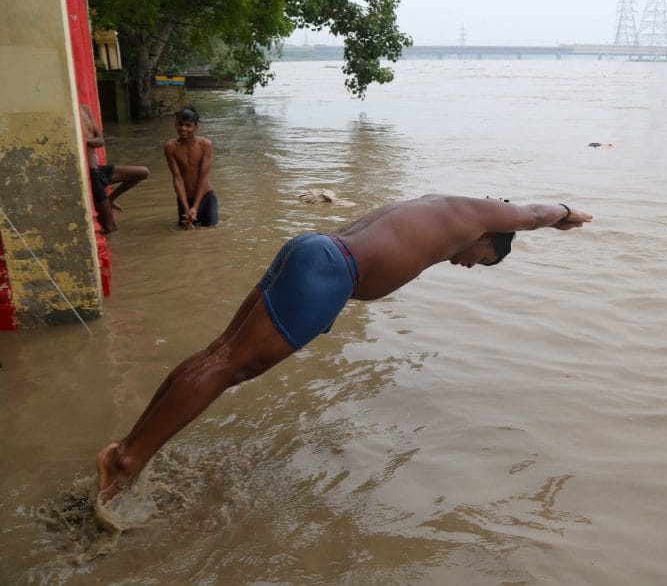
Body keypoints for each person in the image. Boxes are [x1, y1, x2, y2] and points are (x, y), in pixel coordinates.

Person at [96, 194, 592, 501]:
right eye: (481, 261)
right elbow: (532, 212)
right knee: (227, 366)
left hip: (313, 248)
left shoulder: (440, 204)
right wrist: (566, 214)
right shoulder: (483, 215)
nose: (466, 267)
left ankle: (126, 450)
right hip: (331, 271)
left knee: (219, 354)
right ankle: (127, 462)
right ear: (490, 238)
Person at [81, 104, 150, 234]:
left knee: (143, 172)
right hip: (90, 175)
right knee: (111, 227)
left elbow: (100, 140)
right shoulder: (69, 114)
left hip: (98, 170)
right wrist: (88, 141)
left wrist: (86, 141)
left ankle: (111, 198)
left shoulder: (84, 109)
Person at [164, 105, 217, 228]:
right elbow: (177, 177)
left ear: (196, 127)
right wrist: (186, 207)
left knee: (211, 233)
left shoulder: (205, 145)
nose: (183, 128)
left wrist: (195, 207)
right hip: (184, 198)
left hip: (205, 197)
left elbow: (203, 177)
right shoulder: (170, 147)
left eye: (188, 125)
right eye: (180, 124)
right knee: (185, 233)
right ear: (176, 124)